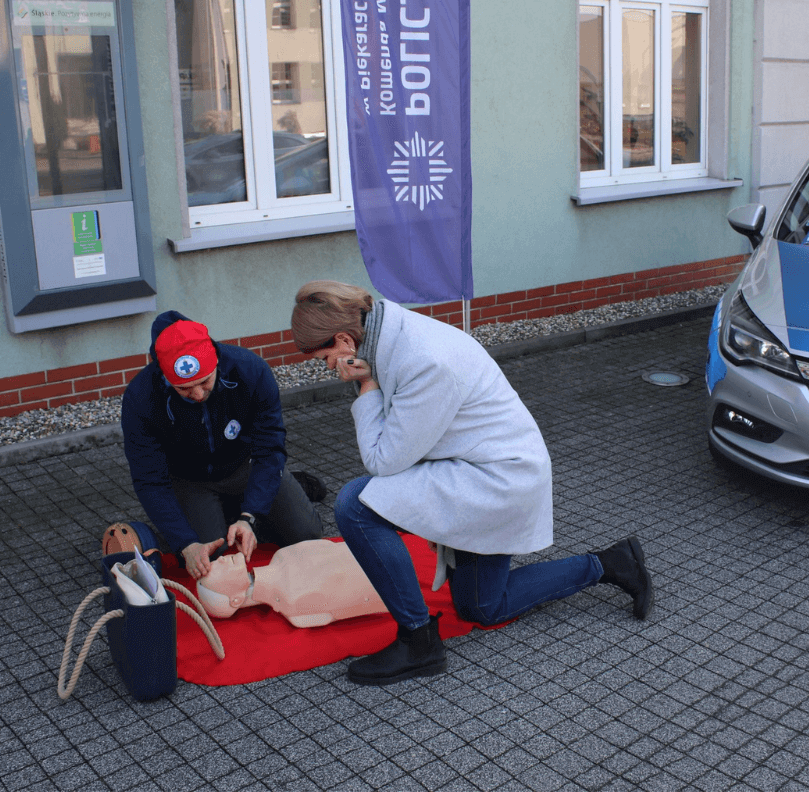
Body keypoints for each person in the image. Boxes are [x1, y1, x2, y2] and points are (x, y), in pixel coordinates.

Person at [290, 281, 652, 686]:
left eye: (324, 356)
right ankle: (611, 563)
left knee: (355, 505)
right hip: (477, 471)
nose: (325, 366)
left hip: (497, 481)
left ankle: (419, 640)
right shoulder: (386, 331)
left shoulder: (424, 361)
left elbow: (382, 462)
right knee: (483, 606)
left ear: (343, 337)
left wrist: (367, 387)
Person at [121, 310, 323, 580]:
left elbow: (270, 448)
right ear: (166, 378)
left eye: (204, 382)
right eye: (184, 389)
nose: (198, 395)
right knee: (209, 558)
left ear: (216, 362)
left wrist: (250, 516)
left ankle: (263, 497)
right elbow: (150, 480)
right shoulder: (140, 397)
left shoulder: (251, 370)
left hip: (244, 466)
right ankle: (226, 511)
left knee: (306, 535)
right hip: (189, 479)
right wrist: (185, 544)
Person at [195, 540, 388, 626]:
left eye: (212, 563)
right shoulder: (295, 607)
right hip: (387, 578)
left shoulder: (282, 554)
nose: (218, 560)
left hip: (379, 550)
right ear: (235, 600)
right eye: (215, 572)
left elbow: (330, 546)